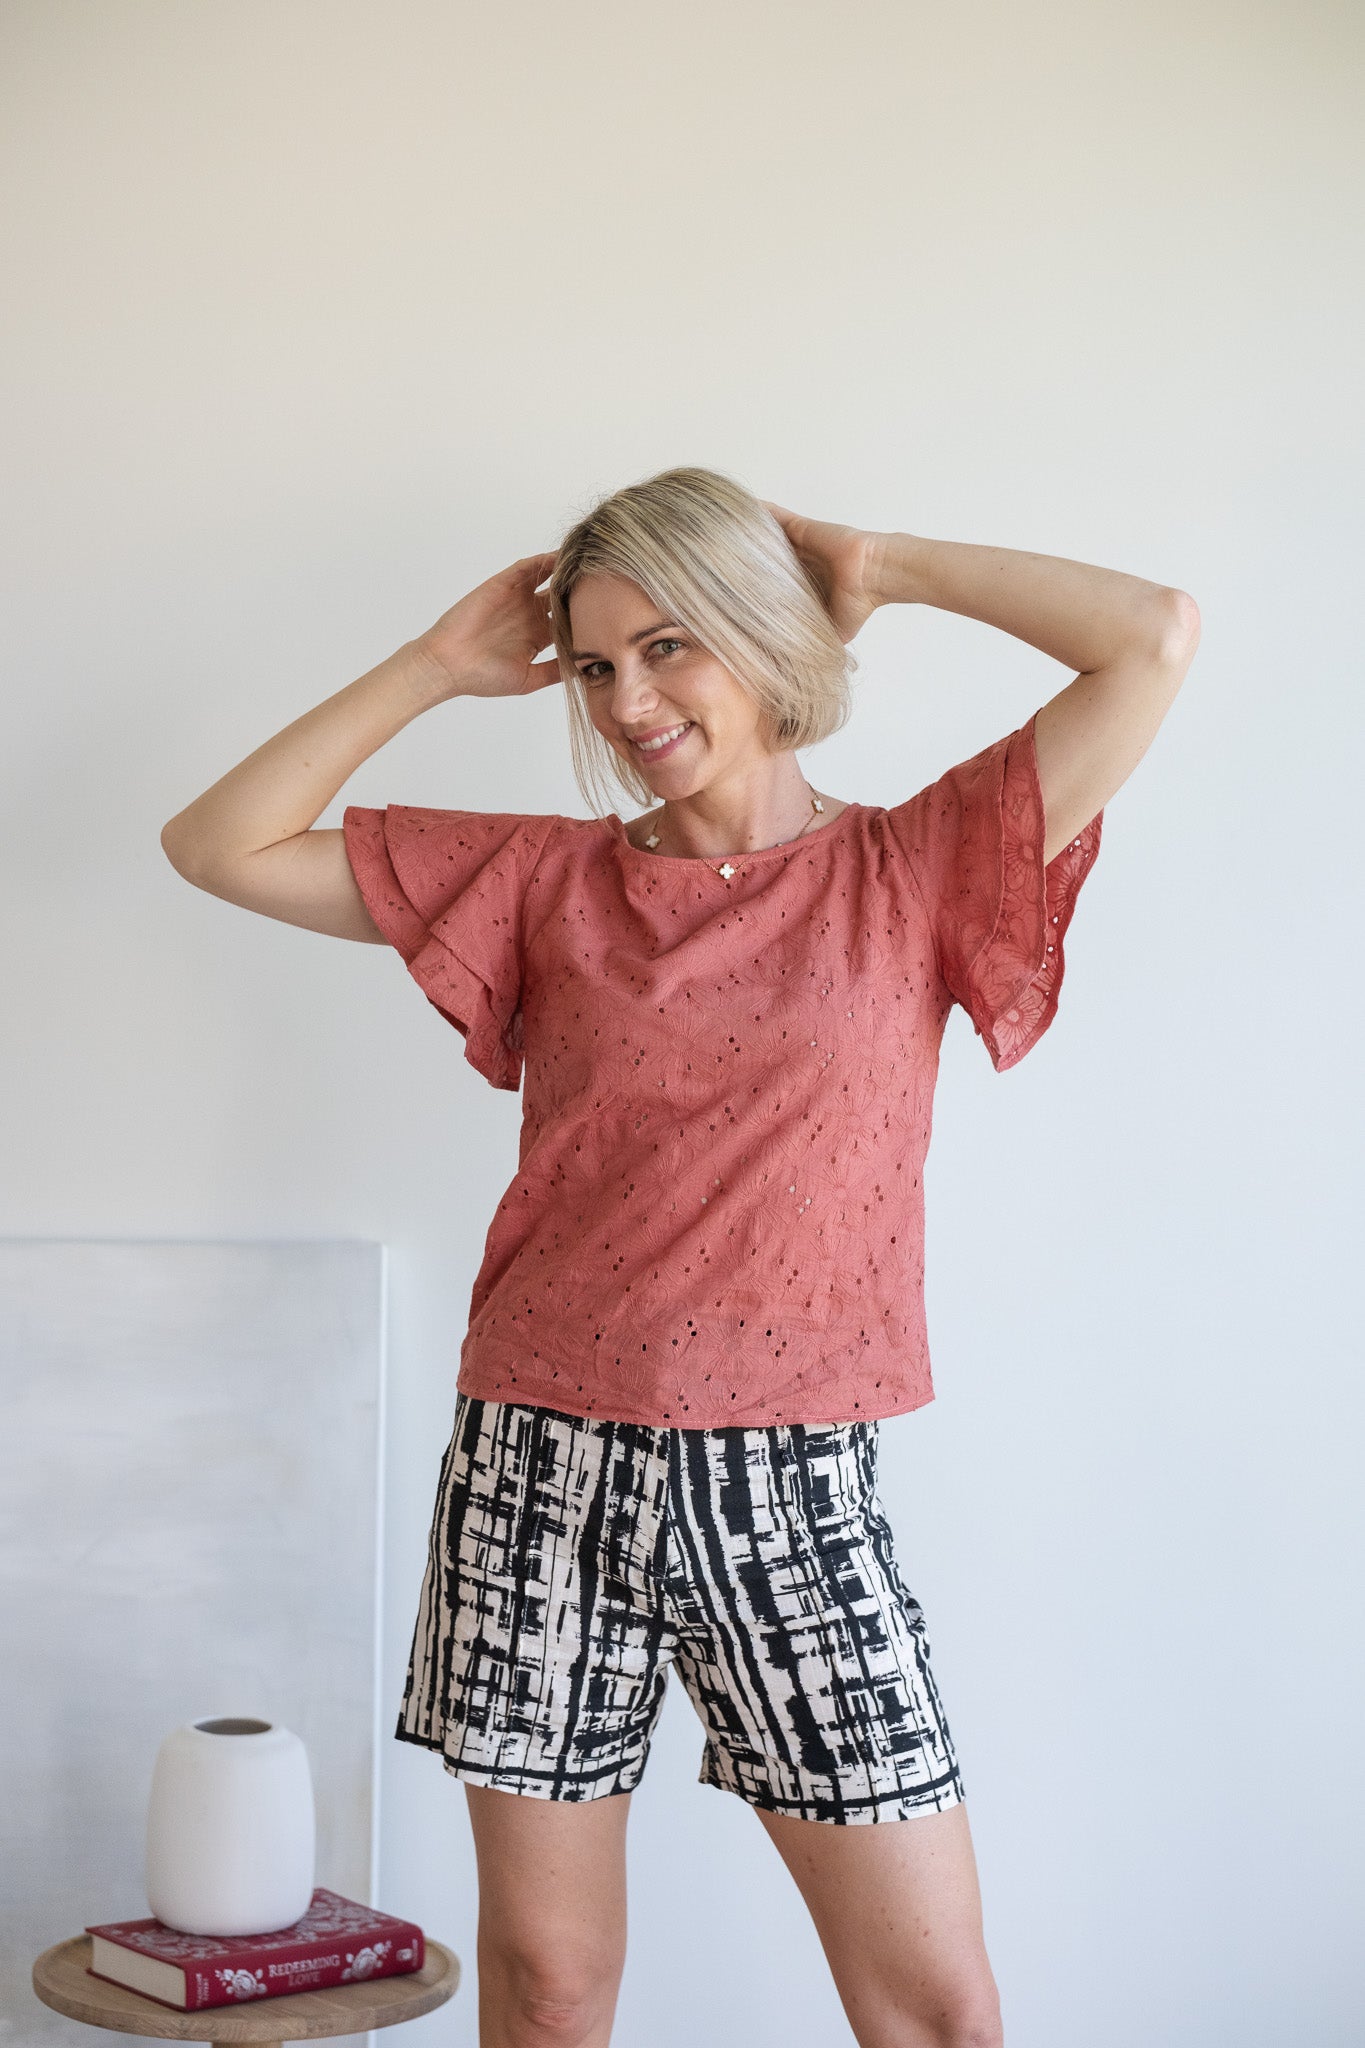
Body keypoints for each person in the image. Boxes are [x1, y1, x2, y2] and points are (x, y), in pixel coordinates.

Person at [161, 466, 1200, 2048]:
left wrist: (881, 560)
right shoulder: (540, 882)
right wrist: (436, 666)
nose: (628, 698)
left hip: (792, 1495)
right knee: (549, 1985)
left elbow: (1152, 637)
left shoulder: (911, 868)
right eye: (594, 665)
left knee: (932, 2007)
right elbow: (218, 843)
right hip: (538, 1471)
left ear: (763, 640)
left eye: (671, 646)